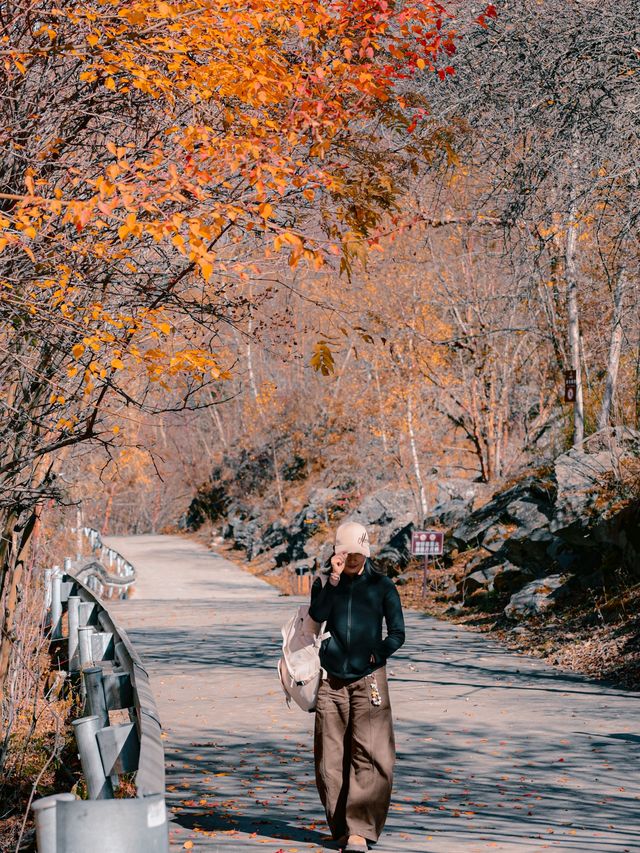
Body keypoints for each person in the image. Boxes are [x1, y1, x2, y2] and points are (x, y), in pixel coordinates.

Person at [308, 521, 406, 853]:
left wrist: (376, 653)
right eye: (347, 553)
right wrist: (333, 580)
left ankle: (359, 832)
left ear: (366, 551)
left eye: (358, 553)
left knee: (373, 754)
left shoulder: (382, 585)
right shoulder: (325, 582)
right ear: (338, 551)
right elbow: (317, 614)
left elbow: (397, 633)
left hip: (370, 679)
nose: (353, 559)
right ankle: (341, 827)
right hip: (331, 680)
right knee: (330, 758)